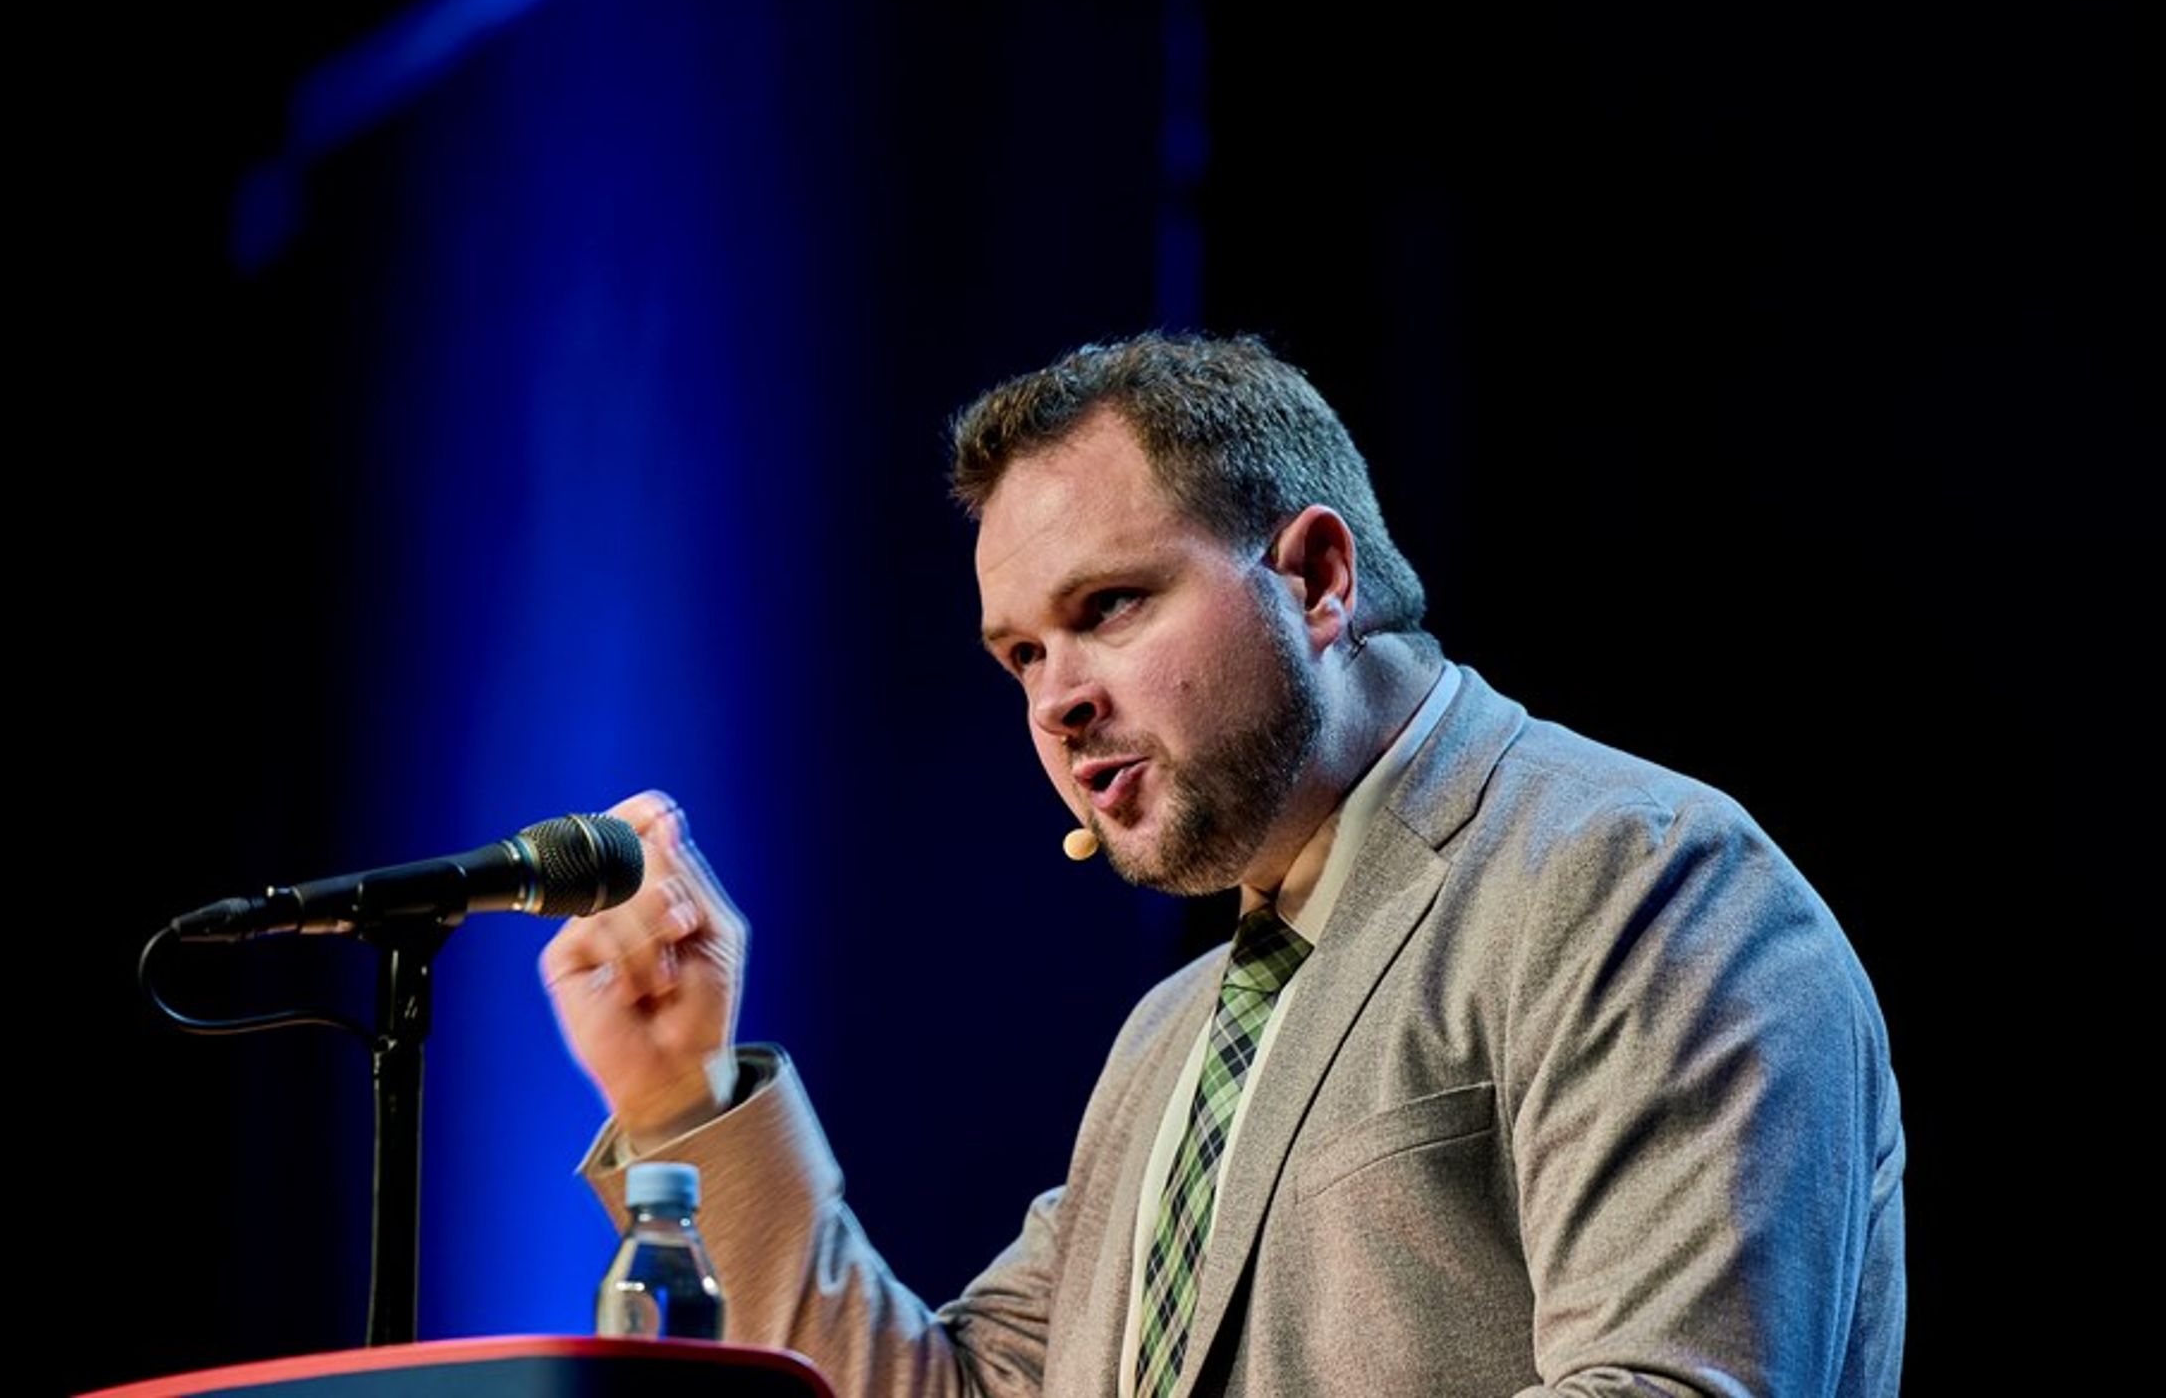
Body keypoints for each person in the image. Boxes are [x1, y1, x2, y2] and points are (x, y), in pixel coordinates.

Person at [539, 333, 1906, 1396]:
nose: (1056, 702)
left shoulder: (1634, 881)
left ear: (1315, 578)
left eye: (1109, 608)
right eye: (1021, 655)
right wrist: (685, 1103)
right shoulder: (1170, 1042)